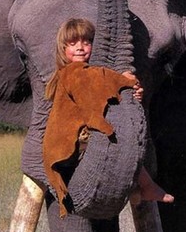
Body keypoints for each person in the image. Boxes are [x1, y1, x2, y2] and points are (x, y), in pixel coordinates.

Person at [44, 17, 174, 207]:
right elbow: (99, 81)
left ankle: (138, 186)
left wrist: (130, 96)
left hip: (70, 145)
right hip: (72, 143)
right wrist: (123, 80)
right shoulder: (74, 72)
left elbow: (99, 96)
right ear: (63, 49)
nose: (80, 47)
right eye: (73, 43)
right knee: (120, 137)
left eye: (86, 42)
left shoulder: (79, 72)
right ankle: (146, 186)